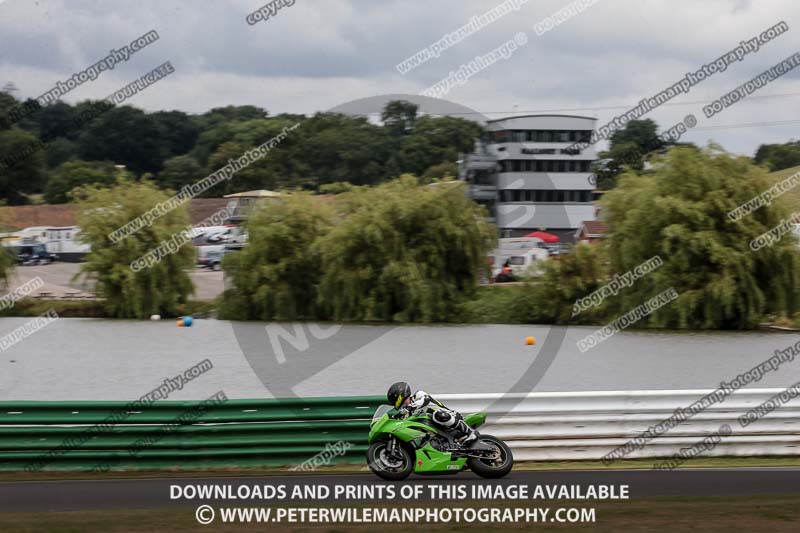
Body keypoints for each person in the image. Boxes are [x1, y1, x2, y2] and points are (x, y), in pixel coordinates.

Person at [386, 381, 477, 445]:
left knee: (438, 415)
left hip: (450, 416)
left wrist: (410, 407)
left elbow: (426, 399)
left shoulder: (419, 394)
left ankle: (470, 432)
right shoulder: (407, 414)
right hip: (437, 430)